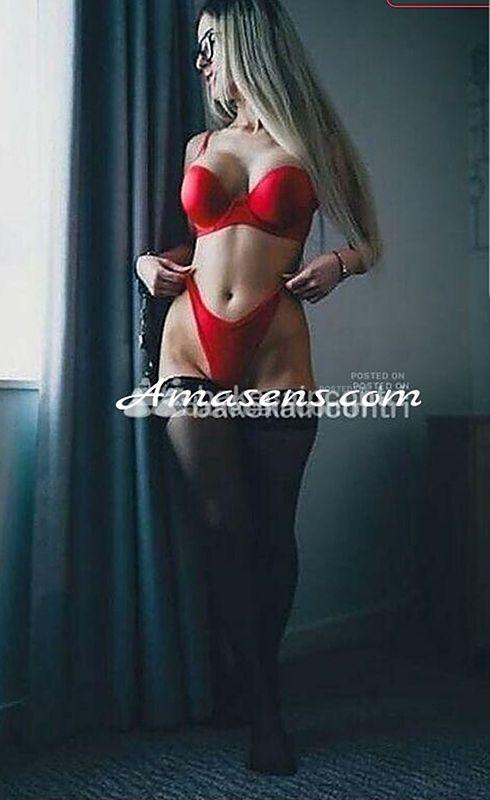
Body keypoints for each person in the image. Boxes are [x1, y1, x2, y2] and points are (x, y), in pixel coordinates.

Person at [135, 0, 382, 775]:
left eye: (211, 45)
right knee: (221, 525)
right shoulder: (200, 145)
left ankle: (257, 691)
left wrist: (337, 265)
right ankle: (263, 705)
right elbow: (200, 242)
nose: (202, 63)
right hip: (189, 335)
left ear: (248, 43)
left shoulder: (310, 140)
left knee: (272, 529)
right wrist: (146, 264)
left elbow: (368, 240)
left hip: (276, 343)